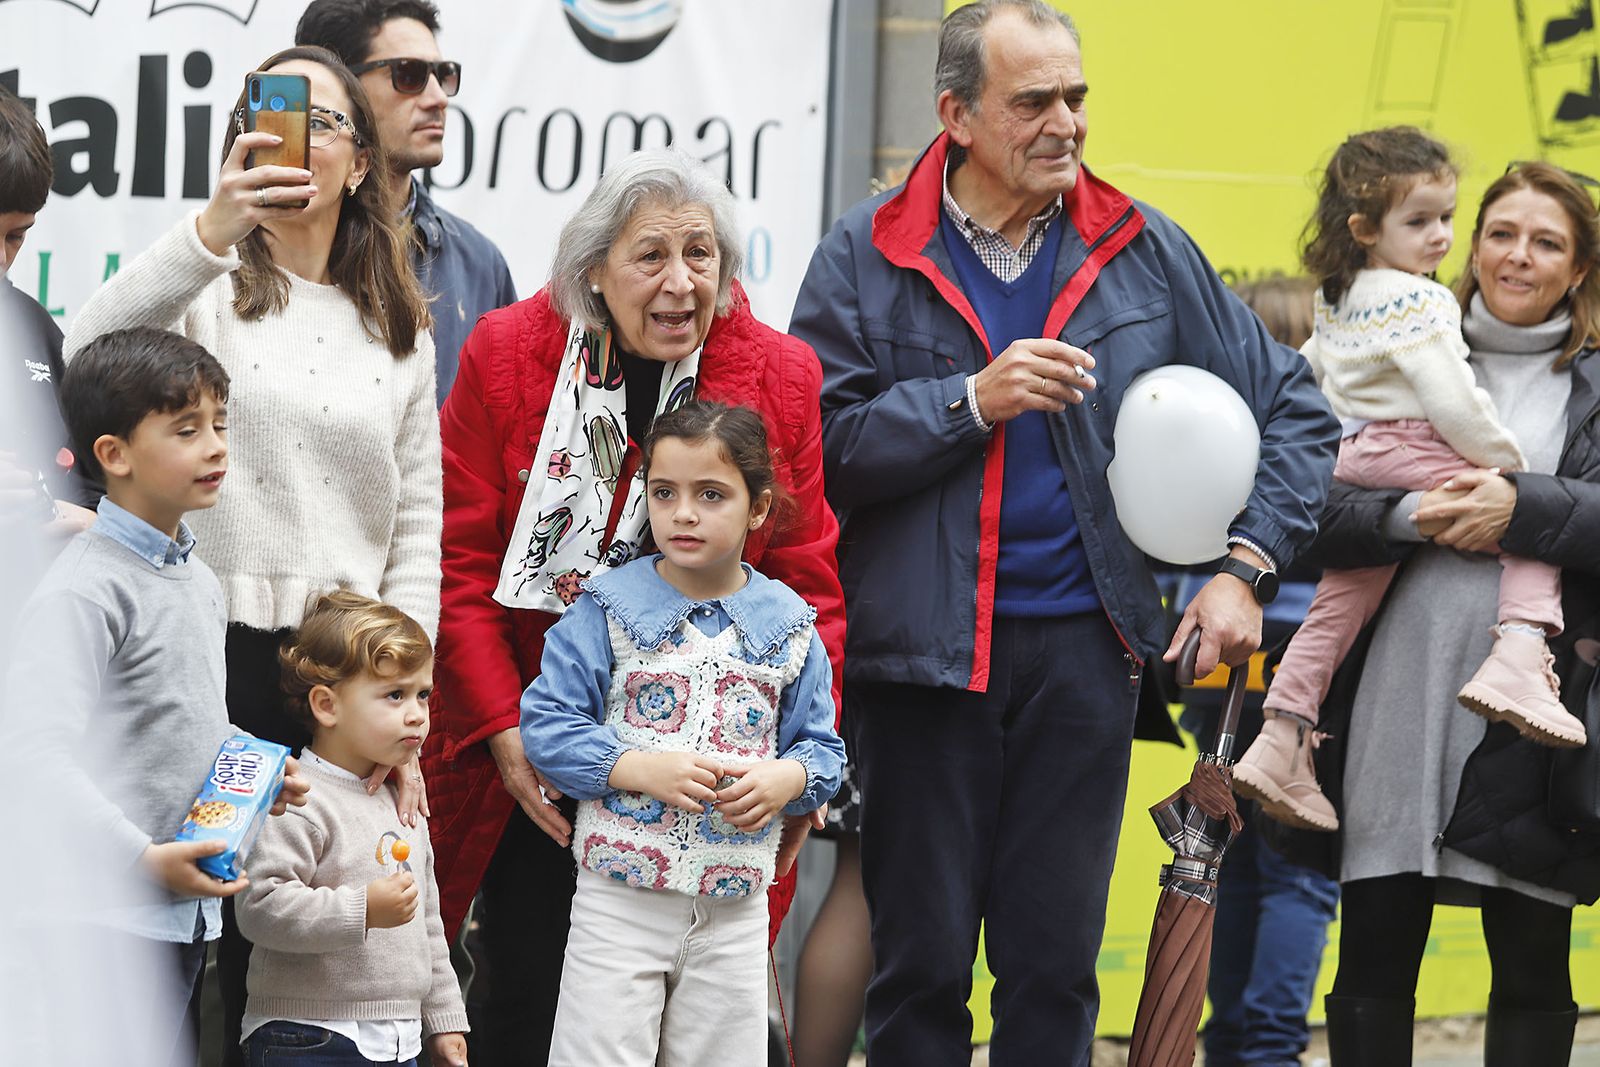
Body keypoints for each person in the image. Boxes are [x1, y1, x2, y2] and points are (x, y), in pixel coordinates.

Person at [787, 2, 1340, 1061]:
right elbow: (820, 450)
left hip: (1087, 655)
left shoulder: (1139, 244)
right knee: (921, 972)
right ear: (953, 114)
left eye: (1075, 97)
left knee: (1052, 968)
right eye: (1032, 101)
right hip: (922, 666)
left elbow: (1297, 409)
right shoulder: (865, 251)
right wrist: (970, 401)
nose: (1065, 123)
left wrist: (1241, 571)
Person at [424, 146, 846, 1066]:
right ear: (593, 272)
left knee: (711, 1027)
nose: (680, 282)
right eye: (651, 256)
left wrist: (802, 766)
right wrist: (503, 727)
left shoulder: (779, 376)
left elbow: (811, 588)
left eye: (702, 256)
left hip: (714, 776)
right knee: (535, 989)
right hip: (554, 741)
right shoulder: (507, 354)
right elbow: (457, 564)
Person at [62, 45, 442, 1066]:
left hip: (342, 673)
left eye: (325, 121)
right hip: (208, 649)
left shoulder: (399, 323)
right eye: (276, 114)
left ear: (362, 164)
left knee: (304, 963)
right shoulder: (208, 282)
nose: (299, 138)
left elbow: (415, 530)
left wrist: (406, 697)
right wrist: (210, 227)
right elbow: (86, 357)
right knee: (178, 941)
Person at [1307, 161, 1600, 1066]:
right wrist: (1409, 514)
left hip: (1535, 700)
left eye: (1548, 241)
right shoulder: (1393, 347)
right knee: (1374, 956)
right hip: (1396, 691)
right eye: (1502, 233)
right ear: (1469, 247)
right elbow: (1312, 503)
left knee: (1530, 961)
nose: (1519, 256)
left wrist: (1524, 506)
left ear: (1581, 268)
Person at [1234, 129, 1579, 836]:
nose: (1440, 238)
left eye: (1447, 219)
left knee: (1342, 595)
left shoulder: (1337, 296)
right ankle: (1518, 650)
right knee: (1530, 523)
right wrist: (1504, 466)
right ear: (1363, 227)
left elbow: (1311, 376)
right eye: (1421, 221)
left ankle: (1281, 731)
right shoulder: (1422, 302)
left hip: (1354, 455)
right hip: (1414, 446)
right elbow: (1451, 399)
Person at [2, 326, 309, 1065]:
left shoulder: (197, 579)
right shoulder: (85, 589)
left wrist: (258, 771)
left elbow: (187, 719)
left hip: (178, 918)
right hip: (94, 926)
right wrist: (140, 858)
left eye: (220, 424)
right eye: (186, 429)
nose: (216, 447)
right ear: (114, 454)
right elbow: (29, 753)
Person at [519, 401, 844, 1064]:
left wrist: (791, 778)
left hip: (734, 913)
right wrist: (635, 767)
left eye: (711, 494)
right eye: (664, 492)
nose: (684, 512)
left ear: (759, 508)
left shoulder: (790, 625)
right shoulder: (606, 608)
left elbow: (823, 747)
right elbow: (547, 723)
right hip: (619, 905)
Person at [1178, 276, 1341, 1067]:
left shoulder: (1219, 436)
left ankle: (1233, 1040)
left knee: (1230, 863)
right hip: (1302, 682)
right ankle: (1269, 1048)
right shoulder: (1313, 439)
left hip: (1217, 681)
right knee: (1297, 873)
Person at [237, 591, 468, 1067]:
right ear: (326, 705)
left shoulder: (402, 800)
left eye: (423, 693)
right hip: (307, 1035)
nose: (417, 714)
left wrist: (444, 1019)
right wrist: (362, 910)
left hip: (400, 1040)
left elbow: (428, 921)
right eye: (394, 695)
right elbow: (259, 907)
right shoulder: (297, 796)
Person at [296, 0, 517, 404]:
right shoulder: (271, 246)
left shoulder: (480, 264)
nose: (438, 98)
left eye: (443, 75)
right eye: (410, 74)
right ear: (340, 89)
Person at [0, 85, 98, 584]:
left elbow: (91, 483)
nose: (1, 256)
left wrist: (89, 522)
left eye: (16, 235)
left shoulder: (35, 332)